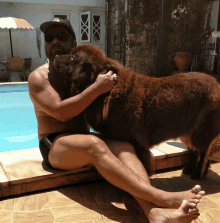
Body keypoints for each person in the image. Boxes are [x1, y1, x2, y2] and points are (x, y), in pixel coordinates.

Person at [28, 18, 205, 223]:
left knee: (124, 145)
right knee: (94, 143)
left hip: (80, 141)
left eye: (62, 37)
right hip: (54, 145)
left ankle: (154, 213)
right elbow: (62, 113)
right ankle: (162, 197)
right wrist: (97, 88)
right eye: (50, 38)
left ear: (74, 43)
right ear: (45, 44)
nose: (55, 42)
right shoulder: (39, 77)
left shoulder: (76, 70)